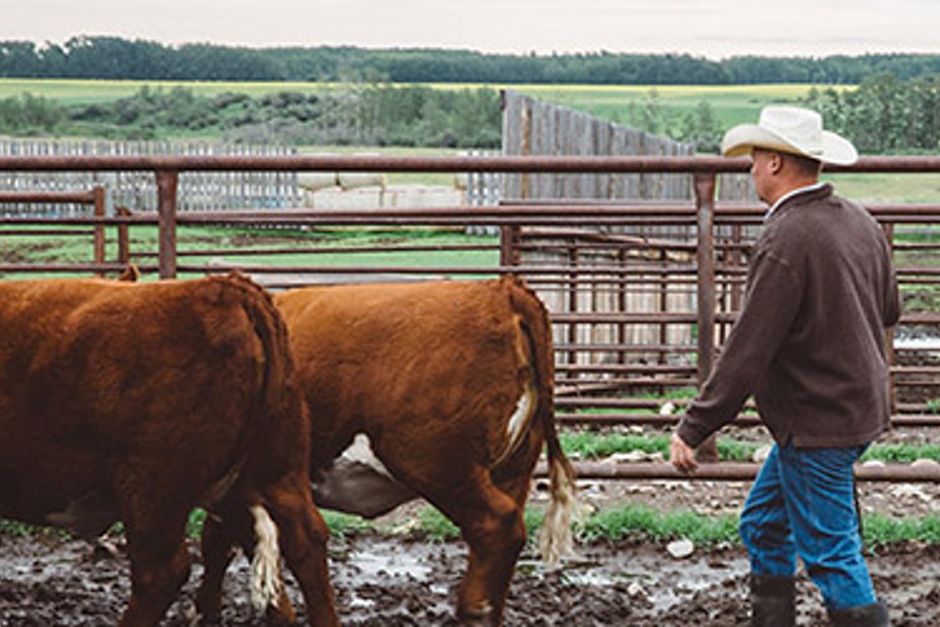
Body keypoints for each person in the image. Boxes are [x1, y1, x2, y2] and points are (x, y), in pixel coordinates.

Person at [669, 106, 899, 627]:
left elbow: (750, 347)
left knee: (831, 553)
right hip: (852, 408)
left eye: (754, 160)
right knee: (765, 524)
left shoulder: (786, 237)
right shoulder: (860, 222)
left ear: (775, 162)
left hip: (817, 420)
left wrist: (695, 425)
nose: (750, 170)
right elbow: (890, 309)